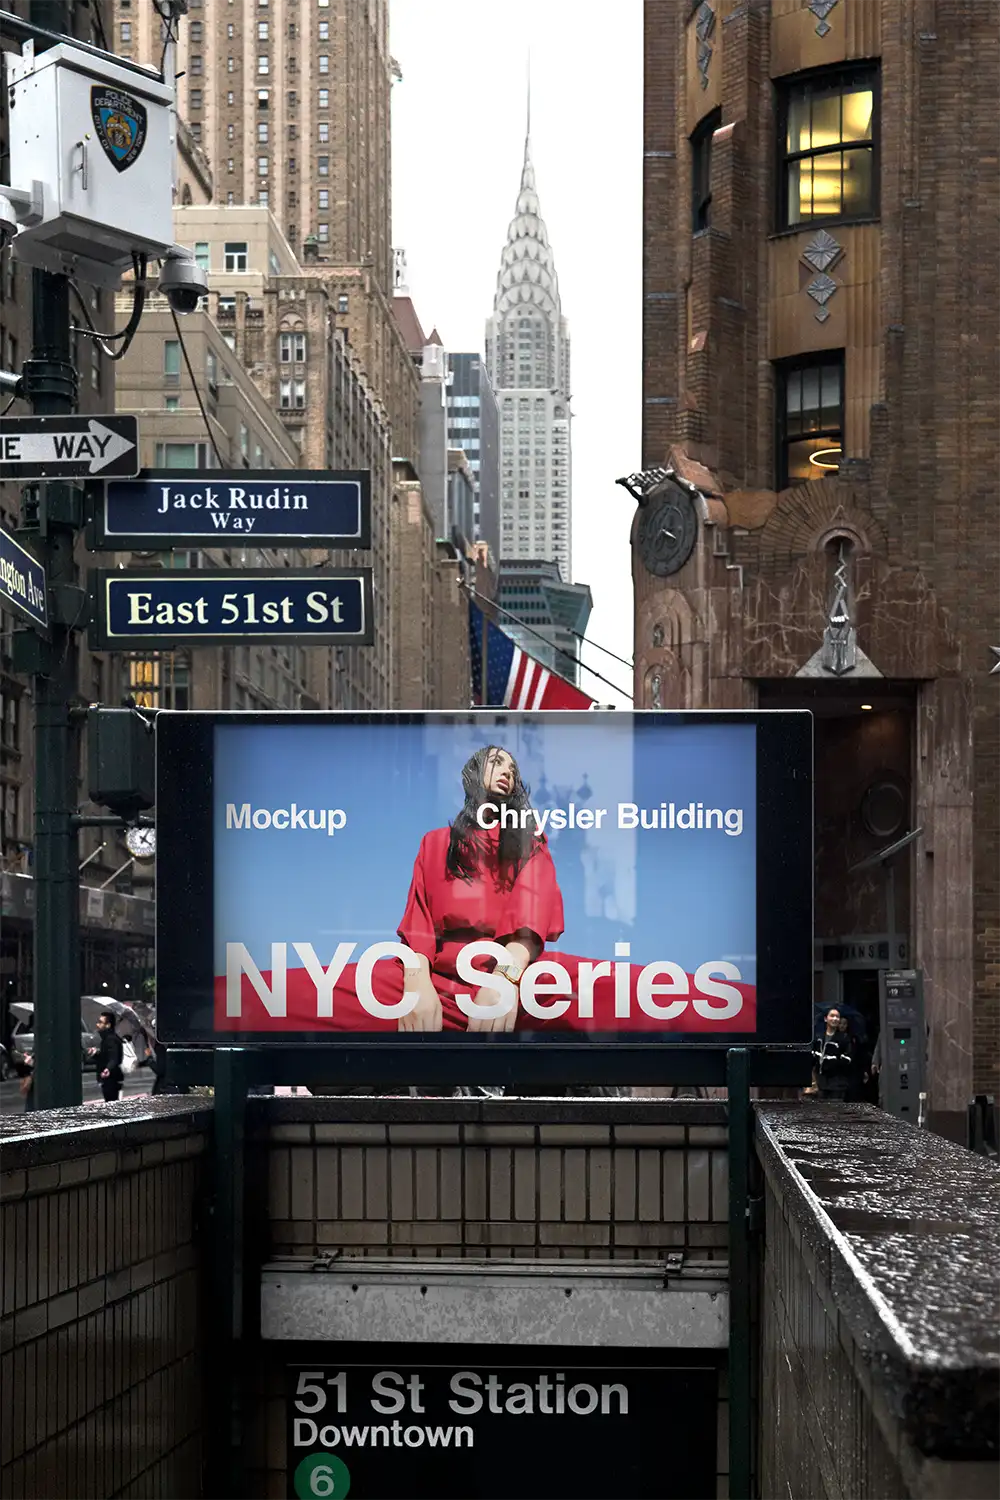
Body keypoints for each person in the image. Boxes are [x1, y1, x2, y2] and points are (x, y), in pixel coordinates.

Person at [225, 745, 755, 1036]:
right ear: (475, 773)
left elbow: (532, 916)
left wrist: (505, 978)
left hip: (519, 981)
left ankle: (763, 1012)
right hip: (431, 979)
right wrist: (418, 986)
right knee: (313, 988)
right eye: (495, 762)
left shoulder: (528, 839)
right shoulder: (436, 842)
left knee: (628, 989)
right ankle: (202, 1012)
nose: (505, 771)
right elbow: (417, 926)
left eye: (512, 767)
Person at [808, 1007, 854, 1100]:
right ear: (826, 1019)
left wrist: (831, 1062)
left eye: (837, 1017)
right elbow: (812, 1057)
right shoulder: (818, 1037)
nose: (835, 1019)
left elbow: (848, 1059)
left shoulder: (844, 1038)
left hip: (837, 1084)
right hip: (820, 1083)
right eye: (832, 1016)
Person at [89, 1010, 125, 1101]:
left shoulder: (111, 1039)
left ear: (108, 1025)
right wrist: (96, 1053)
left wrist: (108, 1069)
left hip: (111, 1078)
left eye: (101, 1022)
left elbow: (114, 1057)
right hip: (109, 1077)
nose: (98, 1025)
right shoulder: (107, 1038)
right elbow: (107, 1056)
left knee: (111, 1102)